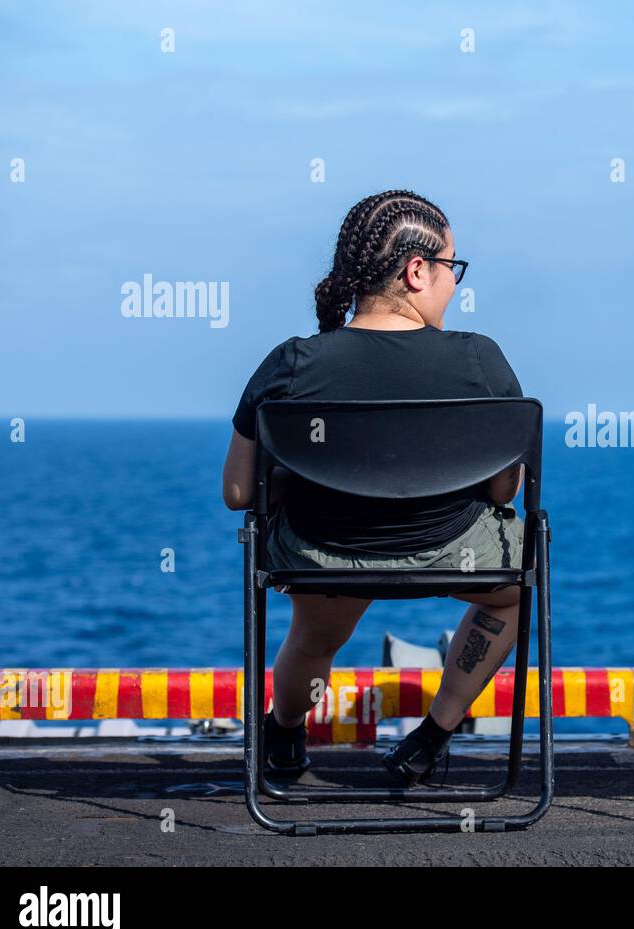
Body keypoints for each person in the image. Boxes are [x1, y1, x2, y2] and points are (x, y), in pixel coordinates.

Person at [221, 189, 525, 787]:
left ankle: (283, 736)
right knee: (513, 594)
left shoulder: (293, 363)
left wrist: (312, 475)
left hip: (323, 556)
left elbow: (237, 491)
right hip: (450, 551)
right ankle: (431, 740)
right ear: (418, 271)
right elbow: (504, 490)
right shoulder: (479, 360)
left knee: (313, 636)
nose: (454, 284)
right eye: (451, 267)